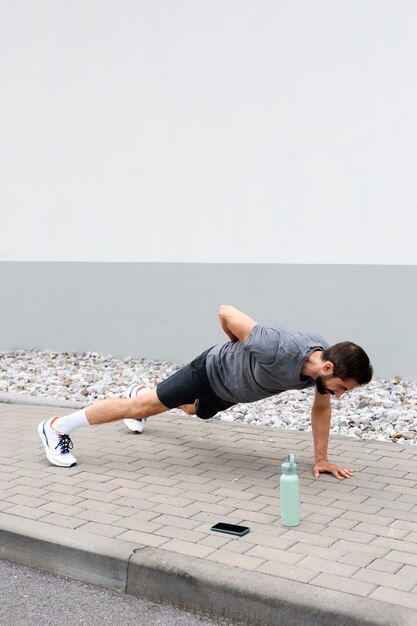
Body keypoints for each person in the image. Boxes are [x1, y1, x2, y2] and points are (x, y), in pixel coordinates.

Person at [37, 304, 373, 478]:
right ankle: (57, 427)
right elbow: (226, 310)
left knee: (193, 410)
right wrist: (234, 345)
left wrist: (322, 460)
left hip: (228, 393)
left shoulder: (324, 368)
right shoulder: (276, 346)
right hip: (209, 371)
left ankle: (139, 391)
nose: (339, 395)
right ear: (328, 368)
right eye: (341, 388)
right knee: (142, 409)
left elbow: (321, 408)